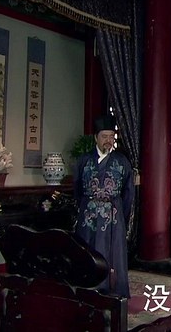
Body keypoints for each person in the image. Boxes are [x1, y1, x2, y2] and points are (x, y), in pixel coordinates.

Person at [73, 114, 134, 298]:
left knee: (113, 253)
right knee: (86, 251)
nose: (108, 140)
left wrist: (120, 215)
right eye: (104, 136)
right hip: (88, 214)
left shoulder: (122, 162)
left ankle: (114, 292)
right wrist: (85, 207)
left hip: (113, 215)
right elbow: (77, 188)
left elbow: (128, 193)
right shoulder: (84, 160)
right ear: (96, 138)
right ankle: (87, 290)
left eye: (111, 137)